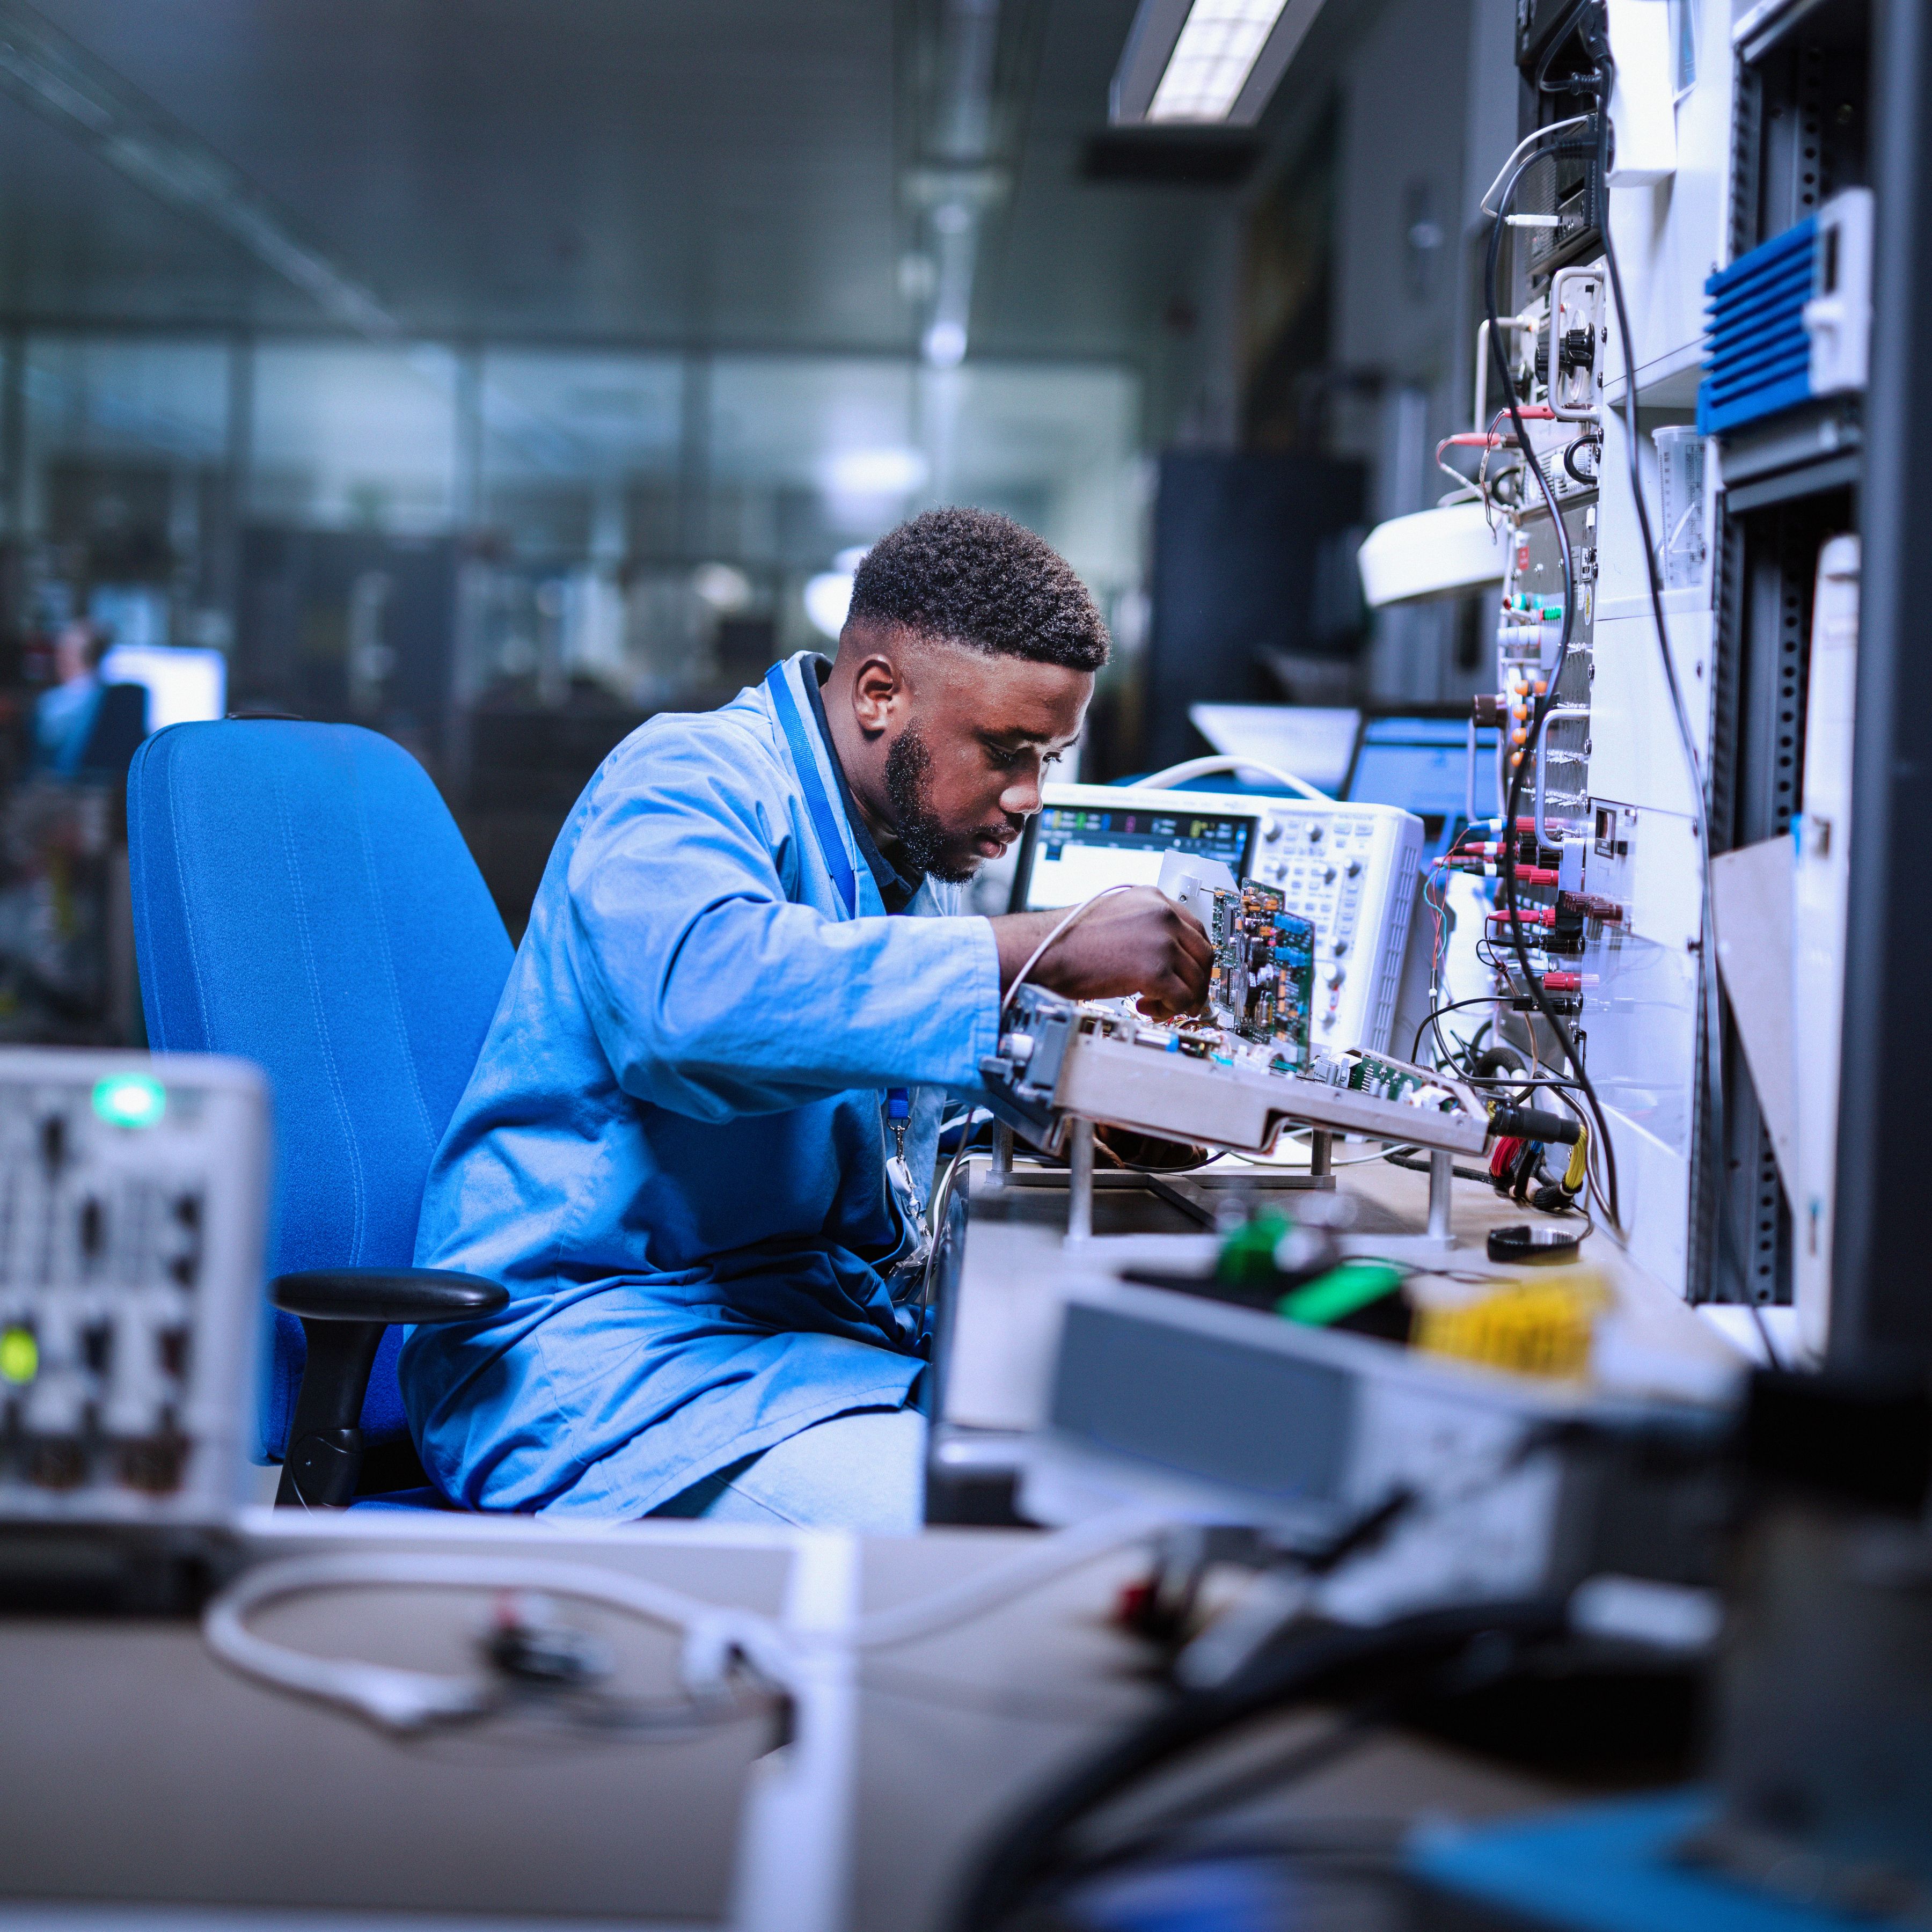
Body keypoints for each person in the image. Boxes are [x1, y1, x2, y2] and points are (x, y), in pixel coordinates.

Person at [404, 508, 1212, 1528]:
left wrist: (1079, 1107)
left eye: (1050, 754)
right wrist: (1038, 952)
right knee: (1018, 1536)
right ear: (879, 694)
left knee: (1167, 1454)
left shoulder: (905, 846)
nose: (1030, 797)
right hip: (593, 1362)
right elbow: (696, 1011)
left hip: (778, 1340)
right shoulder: (687, 779)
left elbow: (862, 1096)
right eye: (1007, 750)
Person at [32, 619, 111, 773]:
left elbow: (42, 752)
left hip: (58, 787)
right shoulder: (120, 699)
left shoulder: (52, 703)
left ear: (68, 656)